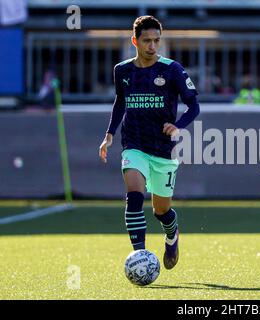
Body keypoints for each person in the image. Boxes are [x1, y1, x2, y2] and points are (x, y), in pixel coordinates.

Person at [98, 15, 200, 270]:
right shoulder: (122, 71)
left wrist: (178, 125)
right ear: (135, 41)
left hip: (163, 149)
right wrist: (110, 133)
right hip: (134, 144)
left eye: (156, 40)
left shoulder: (172, 69)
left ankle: (172, 235)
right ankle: (140, 257)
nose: (152, 46)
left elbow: (194, 106)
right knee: (134, 195)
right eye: (147, 41)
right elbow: (120, 102)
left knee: (161, 211)